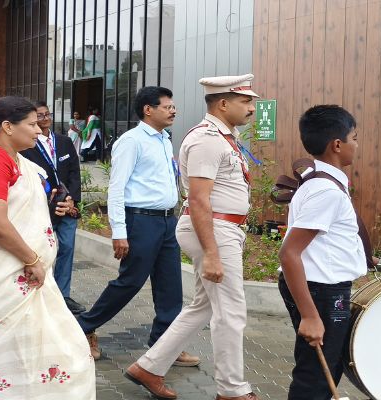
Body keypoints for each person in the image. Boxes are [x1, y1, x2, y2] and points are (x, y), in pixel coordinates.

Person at [0, 96, 95, 399]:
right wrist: (32, 259)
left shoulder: (19, 161)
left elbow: (22, 205)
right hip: (4, 271)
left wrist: (58, 206)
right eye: (32, 124)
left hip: (28, 274)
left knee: (40, 346)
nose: (39, 130)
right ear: (8, 127)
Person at [125, 75, 259, 400]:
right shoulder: (206, 140)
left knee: (203, 306)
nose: (252, 108)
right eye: (246, 101)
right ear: (223, 103)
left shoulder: (224, 137)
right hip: (213, 229)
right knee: (231, 311)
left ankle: (149, 367)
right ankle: (231, 390)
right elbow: (199, 199)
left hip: (221, 229)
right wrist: (212, 253)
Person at [277, 105, 381, 400]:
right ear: (337, 145)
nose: (357, 145)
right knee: (316, 376)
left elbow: (334, 244)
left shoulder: (323, 183)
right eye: (354, 138)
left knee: (328, 365)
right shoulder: (326, 192)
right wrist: (310, 316)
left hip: (322, 289)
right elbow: (289, 253)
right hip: (320, 292)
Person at [78, 87, 198, 368]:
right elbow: (116, 188)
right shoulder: (131, 141)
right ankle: (84, 326)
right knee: (130, 282)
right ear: (148, 110)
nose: (173, 111)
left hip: (167, 221)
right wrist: (119, 232)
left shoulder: (164, 139)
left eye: (173, 106)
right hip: (141, 221)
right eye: (167, 106)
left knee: (170, 286)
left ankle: (164, 345)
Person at [19, 101, 85, 314]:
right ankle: (41, 294)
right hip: (42, 206)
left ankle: (63, 296)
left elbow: (74, 171)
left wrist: (72, 199)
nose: (45, 119)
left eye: (47, 114)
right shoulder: (27, 145)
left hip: (67, 206)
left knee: (67, 249)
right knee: (42, 250)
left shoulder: (64, 142)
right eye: (39, 116)